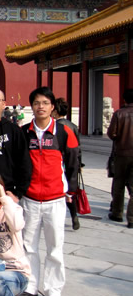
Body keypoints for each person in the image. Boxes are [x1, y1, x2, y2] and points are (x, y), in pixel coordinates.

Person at [19, 87, 78, 296]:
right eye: (36, 103)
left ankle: (54, 290)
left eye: (45, 103)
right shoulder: (24, 133)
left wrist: (71, 191)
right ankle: (30, 285)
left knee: (55, 247)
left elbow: (73, 163)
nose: (40, 107)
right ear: (31, 106)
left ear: (52, 106)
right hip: (30, 199)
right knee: (28, 246)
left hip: (55, 199)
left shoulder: (63, 132)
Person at [53, 97, 83, 230]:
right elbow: (78, 147)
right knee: (70, 191)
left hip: (60, 162)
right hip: (72, 161)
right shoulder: (73, 126)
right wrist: (79, 164)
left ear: (55, 111)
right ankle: (74, 215)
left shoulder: (56, 127)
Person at [107, 88, 133, 228]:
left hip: (122, 153)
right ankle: (132, 218)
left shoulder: (119, 114)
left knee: (119, 183)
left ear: (124, 99)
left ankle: (117, 213)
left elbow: (112, 133)